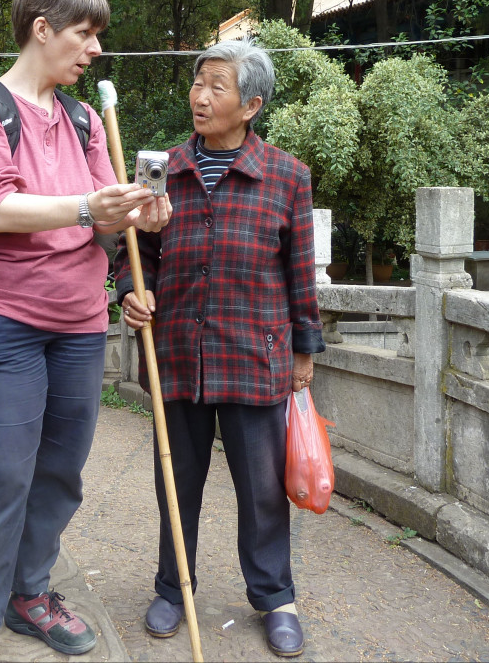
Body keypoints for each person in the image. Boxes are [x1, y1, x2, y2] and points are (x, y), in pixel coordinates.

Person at [0, 0, 171, 663]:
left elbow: (104, 217)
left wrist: (140, 214)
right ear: (42, 29)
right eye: (85, 33)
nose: (95, 49)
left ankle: (29, 591)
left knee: (61, 471)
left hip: (79, 323)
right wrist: (85, 207)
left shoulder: (83, 118)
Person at [116, 40, 324, 659]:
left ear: (251, 105)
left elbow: (300, 272)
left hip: (254, 356)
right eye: (197, 83)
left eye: (217, 86)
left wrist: (304, 352)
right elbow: (135, 252)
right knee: (175, 481)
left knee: (262, 489)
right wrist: (132, 291)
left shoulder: (287, 176)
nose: (200, 97)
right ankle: (172, 588)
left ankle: (275, 597)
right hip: (176, 351)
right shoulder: (160, 170)